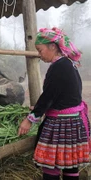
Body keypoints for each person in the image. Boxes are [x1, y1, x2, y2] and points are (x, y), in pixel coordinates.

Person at [18, 27, 90, 180]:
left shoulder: (59, 66)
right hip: (74, 120)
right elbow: (64, 94)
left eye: (40, 50)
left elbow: (49, 95)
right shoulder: (68, 63)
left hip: (62, 123)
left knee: (51, 164)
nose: (39, 54)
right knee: (70, 164)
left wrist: (30, 119)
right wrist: (44, 107)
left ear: (52, 46)